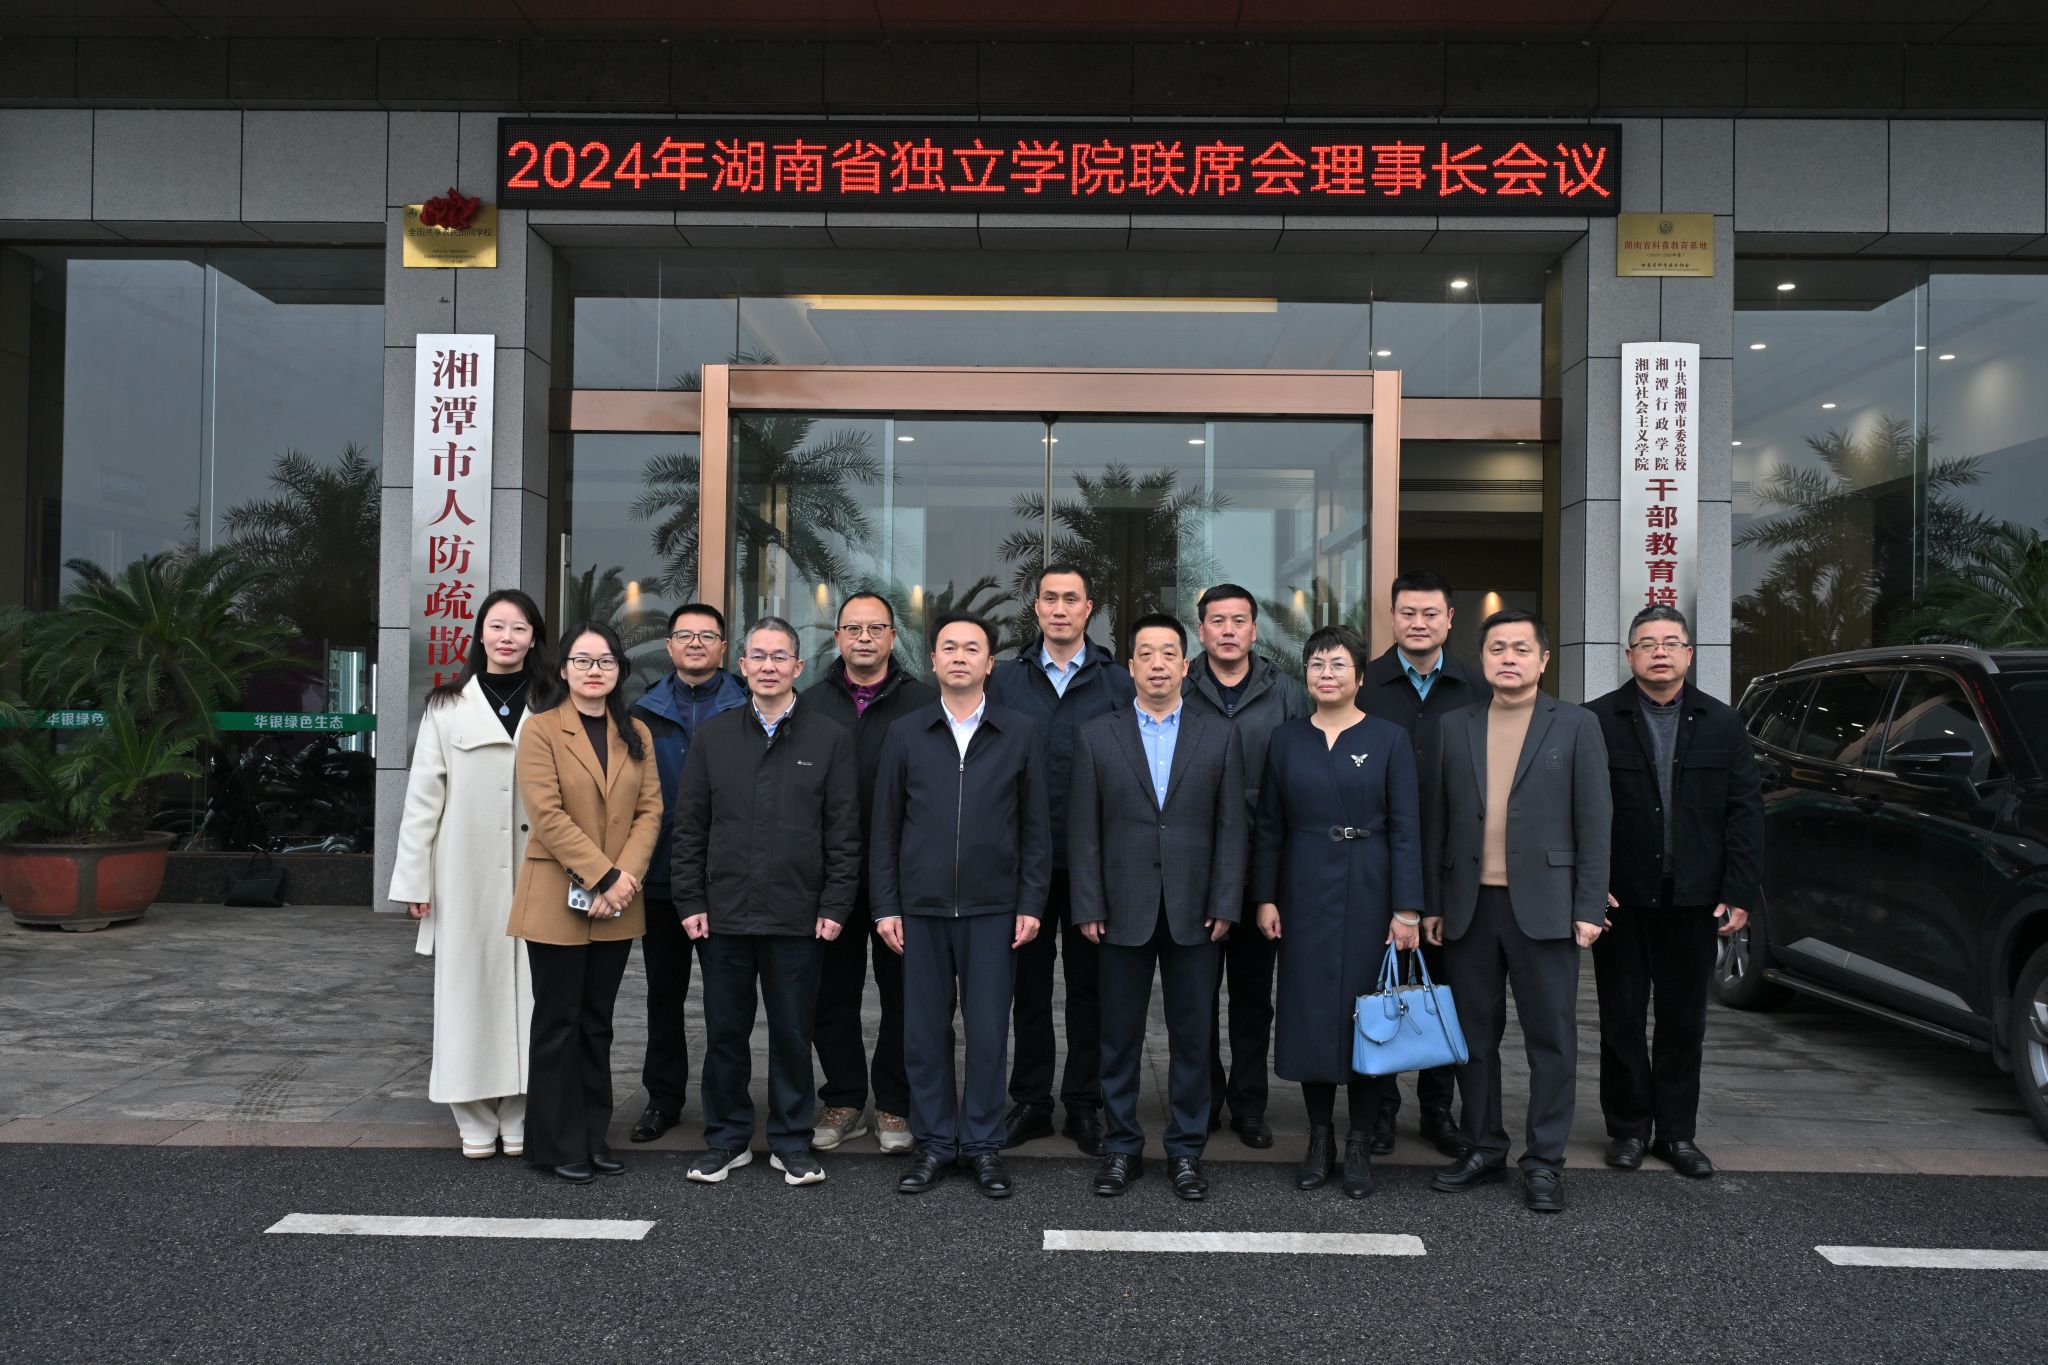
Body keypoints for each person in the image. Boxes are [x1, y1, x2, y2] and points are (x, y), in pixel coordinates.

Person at [1423, 610, 1611, 1213]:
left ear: (1543, 659)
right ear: (1481, 659)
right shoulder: (1454, 725)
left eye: (1521, 648)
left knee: (1551, 1039)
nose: (1509, 658)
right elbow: (1437, 821)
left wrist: (1590, 904)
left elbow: (1596, 822)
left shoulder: (1576, 725)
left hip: (1548, 906)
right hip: (1469, 906)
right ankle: (1484, 1147)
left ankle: (1545, 1161)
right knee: (1473, 1037)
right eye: (1497, 648)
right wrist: (1432, 903)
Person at [671, 617, 862, 1188]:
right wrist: (689, 900)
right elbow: (690, 828)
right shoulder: (715, 736)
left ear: (798, 667)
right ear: (743, 665)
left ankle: (791, 1141)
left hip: (798, 915)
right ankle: (726, 1139)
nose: (769, 666)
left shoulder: (830, 737)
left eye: (781, 657)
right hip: (723, 913)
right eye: (759, 656)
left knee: (792, 1033)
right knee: (725, 1033)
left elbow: (844, 833)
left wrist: (835, 905)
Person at [1069, 612, 1247, 1201]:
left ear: (1185, 665)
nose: (1157, 664)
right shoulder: (1098, 734)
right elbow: (1084, 831)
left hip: (1197, 909)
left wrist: (1226, 900)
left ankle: (1186, 1149)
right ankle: (1122, 1146)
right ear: (1130, 667)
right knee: (1118, 1036)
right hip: (1121, 907)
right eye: (1145, 654)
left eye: (1169, 653)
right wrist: (1088, 902)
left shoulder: (1218, 734)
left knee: (1193, 1036)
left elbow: (1232, 827)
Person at [871, 613, 1050, 1199]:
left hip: (993, 909)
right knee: (923, 1034)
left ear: (989, 663)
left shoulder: (1019, 732)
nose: (959, 656)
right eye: (948, 647)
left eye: (972, 648)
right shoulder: (906, 732)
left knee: (989, 1032)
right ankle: (934, 1144)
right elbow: (885, 828)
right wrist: (885, 905)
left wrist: (1031, 901)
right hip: (920, 910)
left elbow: (1035, 829)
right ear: (932, 661)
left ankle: (982, 1145)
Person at [1586, 605, 1764, 1180]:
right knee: (1620, 1020)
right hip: (1621, 899)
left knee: (1684, 1022)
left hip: (1695, 898)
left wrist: (1739, 891)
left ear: (1689, 653)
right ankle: (1627, 1130)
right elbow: (1578, 811)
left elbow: (1745, 813)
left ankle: (1676, 1133)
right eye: (1646, 643)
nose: (1658, 652)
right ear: (1629, 655)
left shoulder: (1723, 722)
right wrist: (1589, 887)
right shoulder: (1596, 720)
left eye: (1670, 642)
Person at [1251, 625, 1423, 1200]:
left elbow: (1406, 827)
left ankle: (1360, 1143)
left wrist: (1407, 908)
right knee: (1310, 1015)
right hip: (1302, 891)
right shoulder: (1286, 739)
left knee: (1368, 1017)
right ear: (1306, 675)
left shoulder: (1389, 738)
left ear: (1360, 676)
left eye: (1338, 665)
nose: (1327, 675)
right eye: (1317, 665)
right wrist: (1266, 896)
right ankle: (1319, 1138)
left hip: (1371, 889)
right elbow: (1269, 824)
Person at [389, 588, 548, 1161]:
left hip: (539, 873)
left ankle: (523, 1109)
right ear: (480, 634)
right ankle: (473, 1114)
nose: (507, 637)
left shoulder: (553, 702)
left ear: (534, 638)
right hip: (463, 875)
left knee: (535, 993)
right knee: (466, 992)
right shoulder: (447, 705)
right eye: (497, 626)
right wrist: (415, 881)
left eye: (519, 628)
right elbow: (422, 799)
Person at [506, 621, 664, 1185]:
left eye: (605, 661)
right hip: (558, 896)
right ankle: (554, 1144)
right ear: (564, 669)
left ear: (619, 670)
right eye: (582, 660)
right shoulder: (541, 729)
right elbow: (547, 815)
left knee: (598, 1024)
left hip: (618, 900)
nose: (594, 671)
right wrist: (602, 877)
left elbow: (650, 811)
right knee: (558, 1022)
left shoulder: (636, 732)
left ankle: (594, 1137)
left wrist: (624, 881)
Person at [989, 562, 1133, 1156]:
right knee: (1027, 988)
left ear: (1088, 609)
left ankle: (1083, 1102)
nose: (1060, 608)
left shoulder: (1116, 681)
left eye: (1071, 599)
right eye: (1049, 598)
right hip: (1023, 862)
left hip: (1093, 861)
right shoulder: (1006, 679)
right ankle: (1031, 1101)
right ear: (1036, 608)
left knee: (1090, 989)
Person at [804, 591, 937, 1156]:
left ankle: (894, 1102)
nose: (864, 638)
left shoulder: (923, 703)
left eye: (875, 628)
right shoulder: (809, 703)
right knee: (829, 994)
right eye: (853, 628)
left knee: (904, 995)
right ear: (837, 636)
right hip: (826, 876)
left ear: (892, 637)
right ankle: (843, 1098)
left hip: (903, 877)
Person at [1360, 569, 1483, 1159]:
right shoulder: (1366, 684)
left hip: (1455, 861)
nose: (1418, 623)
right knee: (1380, 984)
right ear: (1392, 617)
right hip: (1377, 860)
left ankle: (1438, 1108)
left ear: (1449, 619)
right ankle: (1380, 1108)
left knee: (1445, 988)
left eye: (1430, 613)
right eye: (1407, 612)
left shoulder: (1476, 686)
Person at [1183, 582, 1309, 1150]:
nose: (1228, 630)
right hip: (1195, 866)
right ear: (1201, 630)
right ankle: (1203, 1099)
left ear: (1255, 630)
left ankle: (1250, 1105)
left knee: (1254, 998)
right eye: (1217, 620)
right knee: (1195, 995)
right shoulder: (1181, 685)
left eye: (1239, 620)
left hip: (1262, 868)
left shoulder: (1286, 693)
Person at [627, 603, 746, 1144]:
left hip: (729, 880)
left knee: (728, 1002)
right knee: (664, 996)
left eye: (707, 635)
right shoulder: (640, 713)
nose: (696, 643)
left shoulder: (747, 705)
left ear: (724, 646)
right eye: (685, 635)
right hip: (661, 879)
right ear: (669, 646)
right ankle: (663, 1100)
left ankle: (726, 1103)